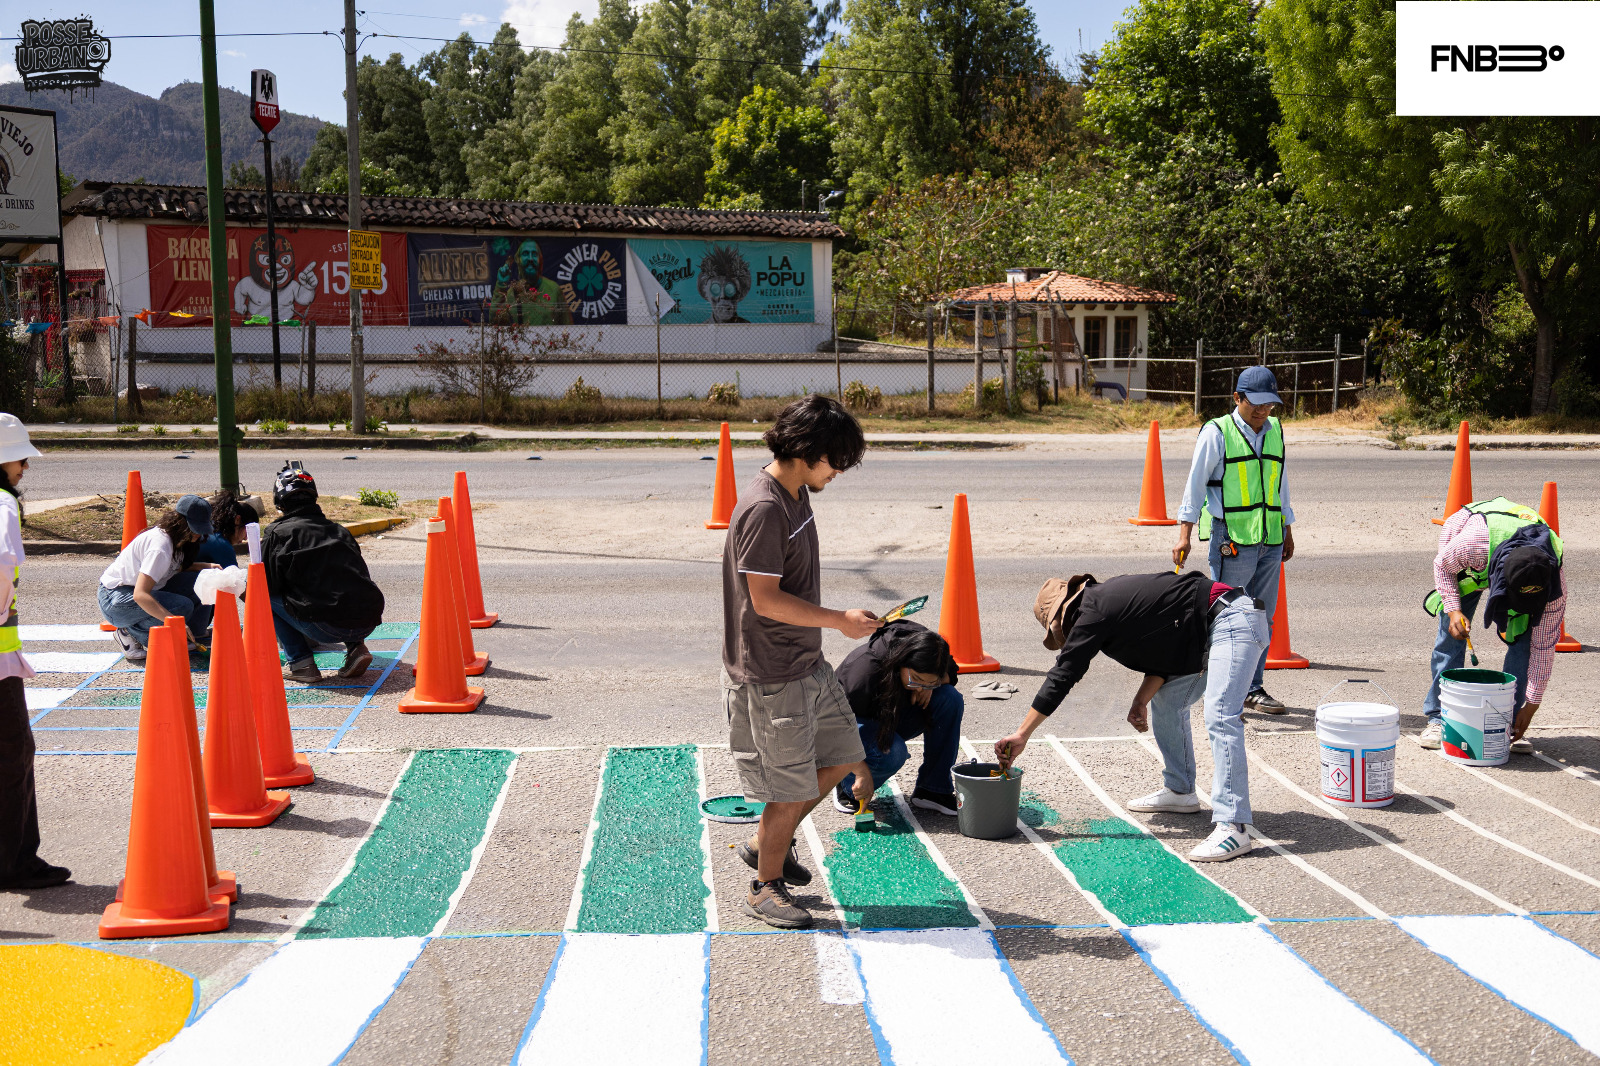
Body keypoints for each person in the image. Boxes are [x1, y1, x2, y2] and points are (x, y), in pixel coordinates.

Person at [722, 395, 881, 928]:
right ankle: (765, 887)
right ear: (808, 451)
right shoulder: (765, 508)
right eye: (835, 462)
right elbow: (763, 600)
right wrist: (838, 619)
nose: (838, 473)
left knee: (842, 754)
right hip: (773, 673)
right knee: (786, 788)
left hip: (806, 660)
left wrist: (831, 625)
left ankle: (767, 841)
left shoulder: (794, 494)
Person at [994, 570, 1269, 862]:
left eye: (1063, 631)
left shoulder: (1094, 611)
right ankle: (1180, 790)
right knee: (1167, 702)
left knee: (1221, 715)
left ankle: (1233, 825)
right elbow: (1167, 646)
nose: (1069, 638)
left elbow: (1063, 674)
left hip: (1232, 621)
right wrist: (1141, 699)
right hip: (1209, 629)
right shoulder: (1110, 604)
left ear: (1066, 615)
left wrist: (1022, 734)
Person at [1172, 365, 1296, 714]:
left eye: (1269, 404)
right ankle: (1223, 693)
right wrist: (1184, 535)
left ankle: (1252, 689)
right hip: (1233, 541)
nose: (1262, 410)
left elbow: (1280, 481)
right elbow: (1194, 485)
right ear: (1237, 398)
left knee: (1262, 617)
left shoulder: (1274, 430)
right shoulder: (1217, 432)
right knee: (1229, 617)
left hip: (1270, 537)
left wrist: (1287, 527)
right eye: (1255, 403)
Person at [1420, 497, 1565, 755]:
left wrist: (1531, 706)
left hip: (1505, 555)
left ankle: (1508, 724)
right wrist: (1454, 610)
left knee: (1527, 644)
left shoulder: (1554, 587)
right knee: (1452, 635)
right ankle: (1437, 718)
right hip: (1469, 554)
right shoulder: (1472, 546)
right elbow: (1442, 565)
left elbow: (1543, 648)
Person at [0, 414, 70, 890]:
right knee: (13, 755)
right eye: (20, 457)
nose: (25, 466)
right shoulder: (3, 504)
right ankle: (16, 862)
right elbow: (3, 564)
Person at [261, 464, 384, 684]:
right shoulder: (339, 530)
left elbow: (269, 584)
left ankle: (301, 663)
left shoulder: (278, 533)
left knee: (261, 594)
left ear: (280, 502)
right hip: (367, 620)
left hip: (323, 626)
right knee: (339, 588)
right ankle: (356, 647)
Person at [830, 621, 963, 817]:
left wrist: (930, 686)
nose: (919, 687)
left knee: (950, 698)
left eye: (929, 682)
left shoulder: (933, 650)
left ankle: (932, 790)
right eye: (915, 678)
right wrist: (860, 770)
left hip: (891, 713)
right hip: (850, 723)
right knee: (892, 751)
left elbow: (951, 673)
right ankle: (847, 784)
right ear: (901, 662)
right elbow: (832, 727)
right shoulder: (863, 672)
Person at [98, 494, 221, 661]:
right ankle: (129, 633)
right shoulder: (160, 547)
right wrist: (175, 622)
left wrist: (204, 567)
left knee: (205, 580)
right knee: (180, 607)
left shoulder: (177, 539)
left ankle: (192, 634)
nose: (199, 535)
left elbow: (172, 568)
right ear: (181, 522)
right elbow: (140, 594)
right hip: (116, 598)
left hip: (135, 592)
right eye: (195, 529)